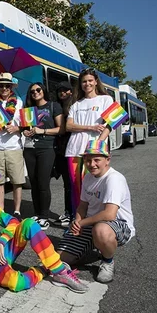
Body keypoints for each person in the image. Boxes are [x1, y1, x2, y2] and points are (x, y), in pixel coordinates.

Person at [57, 139, 134, 283]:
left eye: (97, 160)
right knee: (59, 258)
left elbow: (109, 214)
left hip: (117, 224)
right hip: (91, 222)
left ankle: (107, 261)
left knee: (101, 231)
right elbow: (82, 205)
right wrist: (77, 222)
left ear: (107, 159)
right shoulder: (87, 177)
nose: (92, 164)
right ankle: (89, 248)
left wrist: (82, 223)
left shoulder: (114, 179)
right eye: (87, 160)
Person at [65, 68, 113, 216]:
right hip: (74, 150)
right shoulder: (76, 104)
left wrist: (98, 143)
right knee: (76, 187)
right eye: (84, 81)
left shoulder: (106, 99)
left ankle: (92, 219)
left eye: (90, 81)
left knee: (94, 187)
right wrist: (90, 127)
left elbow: (111, 123)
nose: (87, 84)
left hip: (94, 150)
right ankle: (77, 220)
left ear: (96, 82)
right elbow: (68, 126)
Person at [22, 82, 63, 230]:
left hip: (46, 148)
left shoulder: (53, 106)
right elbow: (25, 129)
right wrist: (24, 131)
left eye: (38, 90)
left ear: (43, 91)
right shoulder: (28, 110)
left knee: (43, 183)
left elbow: (61, 129)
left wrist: (43, 132)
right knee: (33, 182)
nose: (35, 93)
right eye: (32, 91)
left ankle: (44, 216)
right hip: (29, 148)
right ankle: (37, 213)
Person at [0, 73, 24, 215]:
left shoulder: (19, 102)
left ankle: (17, 210)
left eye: (7, 85)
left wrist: (16, 128)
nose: (4, 88)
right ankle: (0, 209)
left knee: (17, 180)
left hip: (14, 147)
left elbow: (25, 125)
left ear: (11, 86)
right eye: (1, 85)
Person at [53, 81, 74, 227]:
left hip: (72, 148)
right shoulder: (56, 106)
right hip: (59, 150)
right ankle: (68, 212)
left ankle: (72, 213)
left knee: (71, 184)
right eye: (60, 91)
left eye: (65, 90)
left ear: (71, 92)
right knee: (67, 184)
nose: (63, 93)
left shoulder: (74, 106)